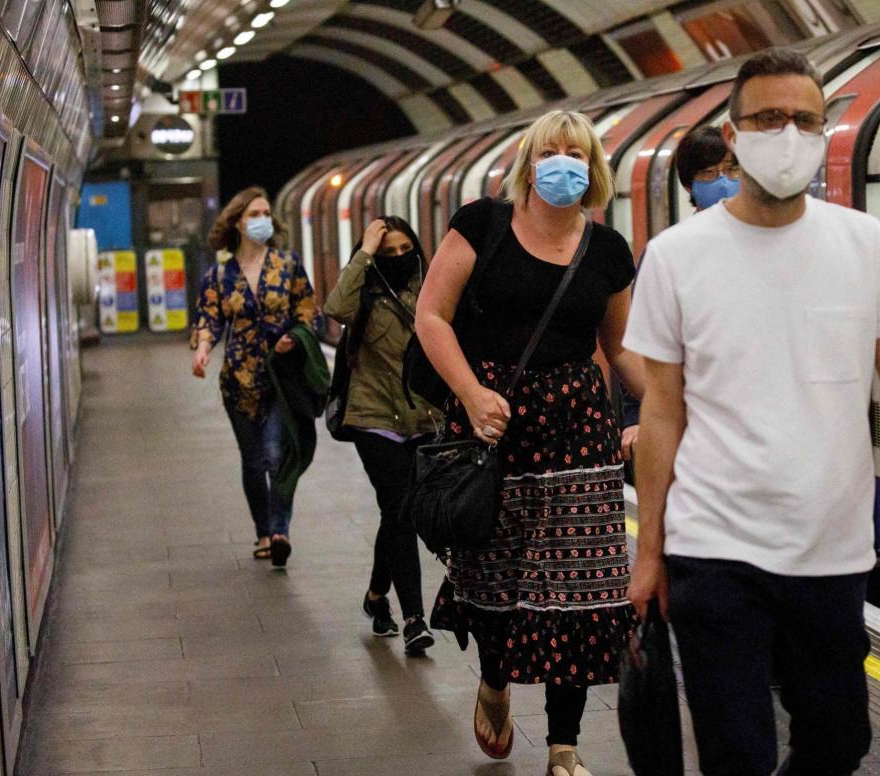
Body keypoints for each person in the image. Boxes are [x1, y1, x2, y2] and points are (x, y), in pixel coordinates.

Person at [624, 50, 880, 776]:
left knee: (838, 741)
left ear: (824, 132)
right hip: (715, 547)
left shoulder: (859, 243)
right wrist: (650, 554)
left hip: (831, 549)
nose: (787, 134)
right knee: (737, 752)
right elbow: (663, 412)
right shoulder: (676, 257)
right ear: (732, 136)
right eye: (768, 118)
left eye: (804, 119)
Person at [416, 109, 645, 776]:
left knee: (578, 589)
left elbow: (622, 348)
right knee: (493, 582)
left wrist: (663, 406)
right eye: (552, 150)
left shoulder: (606, 250)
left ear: (594, 166)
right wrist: (469, 392)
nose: (565, 161)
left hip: (579, 437)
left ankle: (563, 746)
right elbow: (433, 316)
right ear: (528, 160)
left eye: (577, 151)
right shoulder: (480, 225)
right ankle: (495, 678)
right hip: (493, 429)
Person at [324, 216, 440, 654]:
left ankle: (376, 595)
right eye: (387, 252)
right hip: (374, 418)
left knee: (398, 513)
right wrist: (364, 254)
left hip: (423, 419)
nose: (397, 258)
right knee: (399, 509)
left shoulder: (432, 288)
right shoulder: (363, 295)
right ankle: (414, 618)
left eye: (403, 249)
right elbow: (334, 308)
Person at [191, 187, 321, 568]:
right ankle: (263, 531)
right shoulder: (219, 275)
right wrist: (202, 349)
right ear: (237, 222)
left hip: (283, 378)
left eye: (266, 212)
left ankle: (280, 530)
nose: (262, 219)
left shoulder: (288, 264)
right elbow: (209, 318)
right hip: (238, 383)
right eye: (254, 214)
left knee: (277, 454)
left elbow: (307, 310)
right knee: (252, 462)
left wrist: (294, 338)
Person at [619, 125, 742, 445]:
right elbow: (637, 343)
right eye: (709, 173)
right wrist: (636, 417)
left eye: (732, 169)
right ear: (689, 184)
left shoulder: (771, 245)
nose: (724, 181)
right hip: (692, 419)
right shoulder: (668, 255)